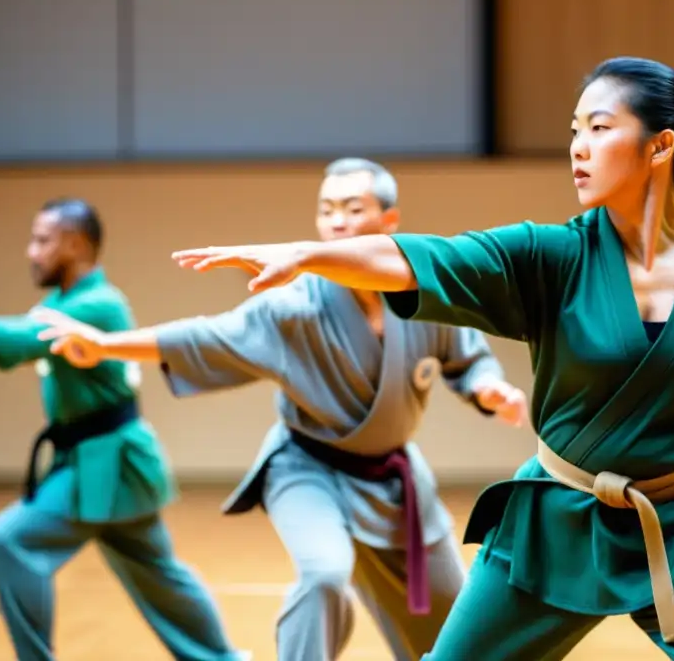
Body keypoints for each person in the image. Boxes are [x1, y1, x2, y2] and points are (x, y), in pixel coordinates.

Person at [160, 58, 674, 660]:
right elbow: (416, 258)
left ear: (661, 145)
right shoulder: (548, 257)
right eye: (573, 129)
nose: (576, 147)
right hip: (558, 519)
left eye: (598, 128)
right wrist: (307, 254)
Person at [34, 159, 528, 661]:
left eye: (352, 208)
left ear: (389, 220)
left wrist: (488, 388)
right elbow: (208, 335)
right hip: (309, 469)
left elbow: (465, 357)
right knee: (323, 576)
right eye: (327, 209)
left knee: (453, 611)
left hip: (396, 479)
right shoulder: (297, 305)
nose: (336, 221)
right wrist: (106, 345)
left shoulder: (421, 295)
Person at [0, 198, 247, 661]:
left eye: (42, 241)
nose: (31, 252)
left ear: (74, 245)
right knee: (160, 575)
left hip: (110, 464)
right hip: (98, 465)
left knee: (10, 540)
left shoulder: (98, 305)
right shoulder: (63, 303)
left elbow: (16, 343)